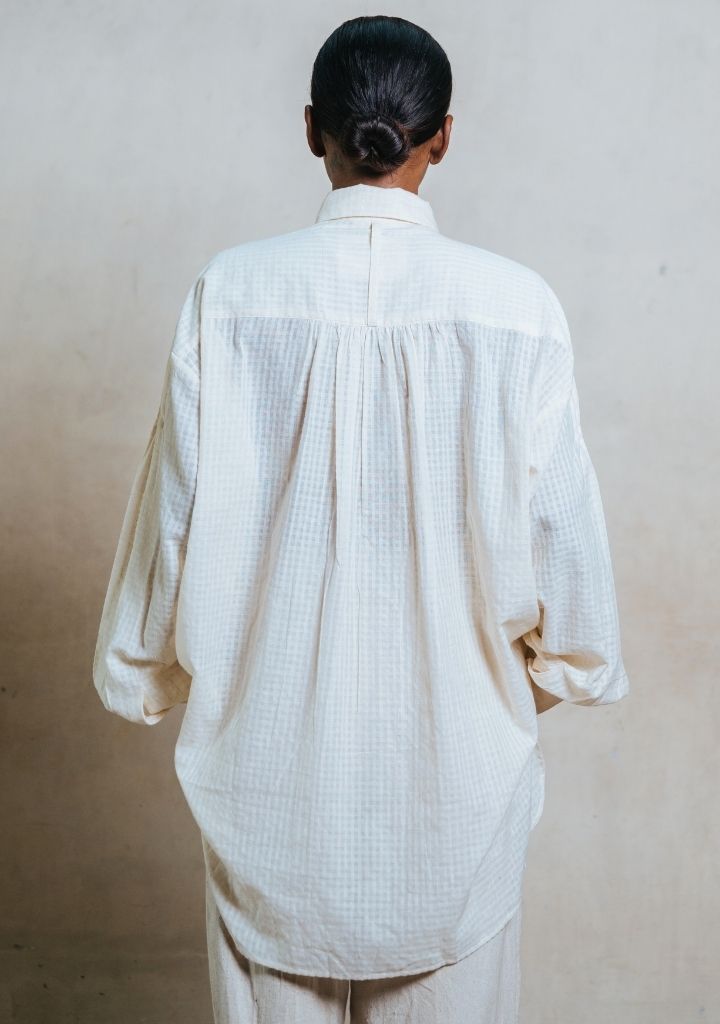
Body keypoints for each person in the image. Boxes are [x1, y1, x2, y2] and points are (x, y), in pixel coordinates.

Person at [92, 14, 630, 1023]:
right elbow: (569, 576)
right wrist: (521, 675)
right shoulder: (518, 309)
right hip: (458, 792)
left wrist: (142, 670)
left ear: (313, 129)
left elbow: (173, 516)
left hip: (266, 781)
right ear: (443, 137)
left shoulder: (230, 294)